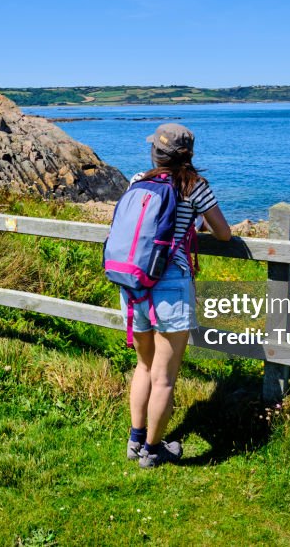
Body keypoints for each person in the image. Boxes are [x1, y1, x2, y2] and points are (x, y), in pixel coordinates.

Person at [123, 123, 231, 468]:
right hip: (171, 284)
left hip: (136, 281)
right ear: (189, 155)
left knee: (143, 365)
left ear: (155, 152)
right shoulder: (196, 186)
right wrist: (194, 222)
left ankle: (135, 440)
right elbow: (224, 233)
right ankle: (154, 452)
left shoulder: (139, 179)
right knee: (165, 377)